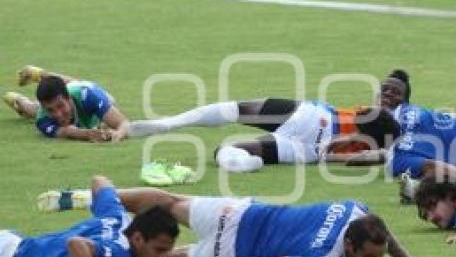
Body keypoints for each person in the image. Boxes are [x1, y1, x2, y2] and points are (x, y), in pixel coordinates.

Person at [111, 187, 446, 257]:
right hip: (228, 252)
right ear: (348, 245)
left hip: (240, 212)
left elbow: (383, 231)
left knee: (169, 202)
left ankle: (96, 197)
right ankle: (112, 247)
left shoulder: (354, 208)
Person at [0, 176, 179, 257]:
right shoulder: (118, 253)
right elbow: (77, 244)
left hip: (13, 246)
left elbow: (100, 181)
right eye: (159, 250)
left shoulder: (117, 215)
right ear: (138, 238)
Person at [128, 98, 400, 172]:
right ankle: (243, 162)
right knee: (229, 149)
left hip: (312, 118)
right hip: (309, 153)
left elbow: (375, 106)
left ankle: (169, 123)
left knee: (237, 109)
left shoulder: (372, 114)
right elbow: (363, 157)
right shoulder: (376, 150)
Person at [3, 66, 130, 142]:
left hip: (85, 89)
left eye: (60, 106)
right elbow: (65, 132)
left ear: (69, 98)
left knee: (79, 85)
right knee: (31, 109)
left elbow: (123, 123)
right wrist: (86, 134)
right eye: (51, 110)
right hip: (69, 95)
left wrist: (117, 135)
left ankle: (40, 74)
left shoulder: (89, 96)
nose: (58, 114)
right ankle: (17, 99)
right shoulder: (43, 119)